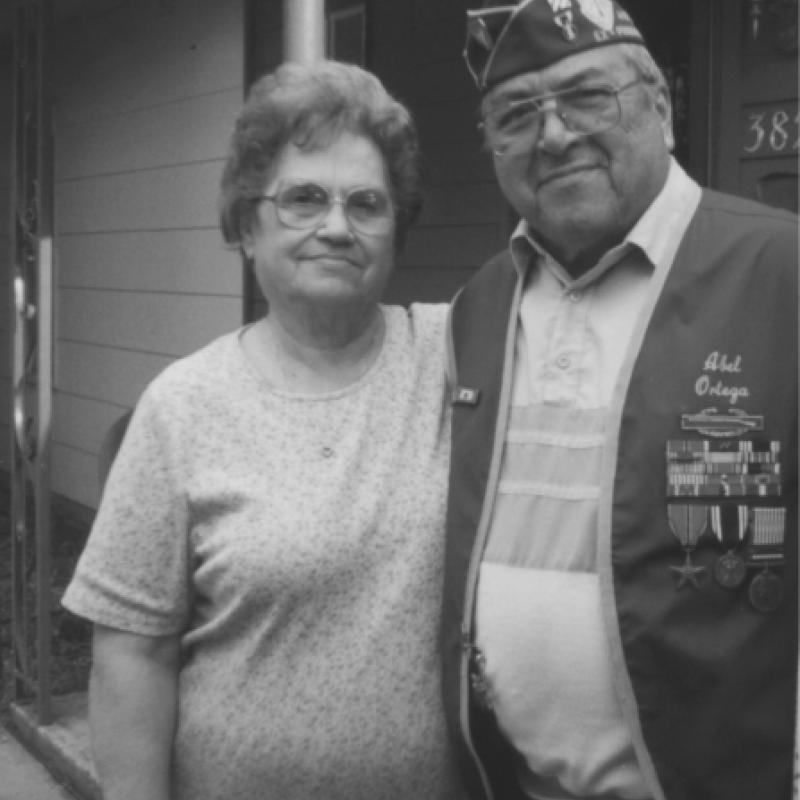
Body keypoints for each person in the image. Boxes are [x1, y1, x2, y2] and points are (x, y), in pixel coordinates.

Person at [62, 60, 465, 800]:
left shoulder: (456, 359)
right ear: (248, 226)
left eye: (367, 204)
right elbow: (131, 656)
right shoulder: (182, 406)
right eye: (303, 199)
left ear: (396, 230)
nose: (336, 226)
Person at [441, 2, 798, 800]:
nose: (555, 134)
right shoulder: (480, 308)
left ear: (662, 109)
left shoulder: (782, 272)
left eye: (587, 96)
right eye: (516, 115)